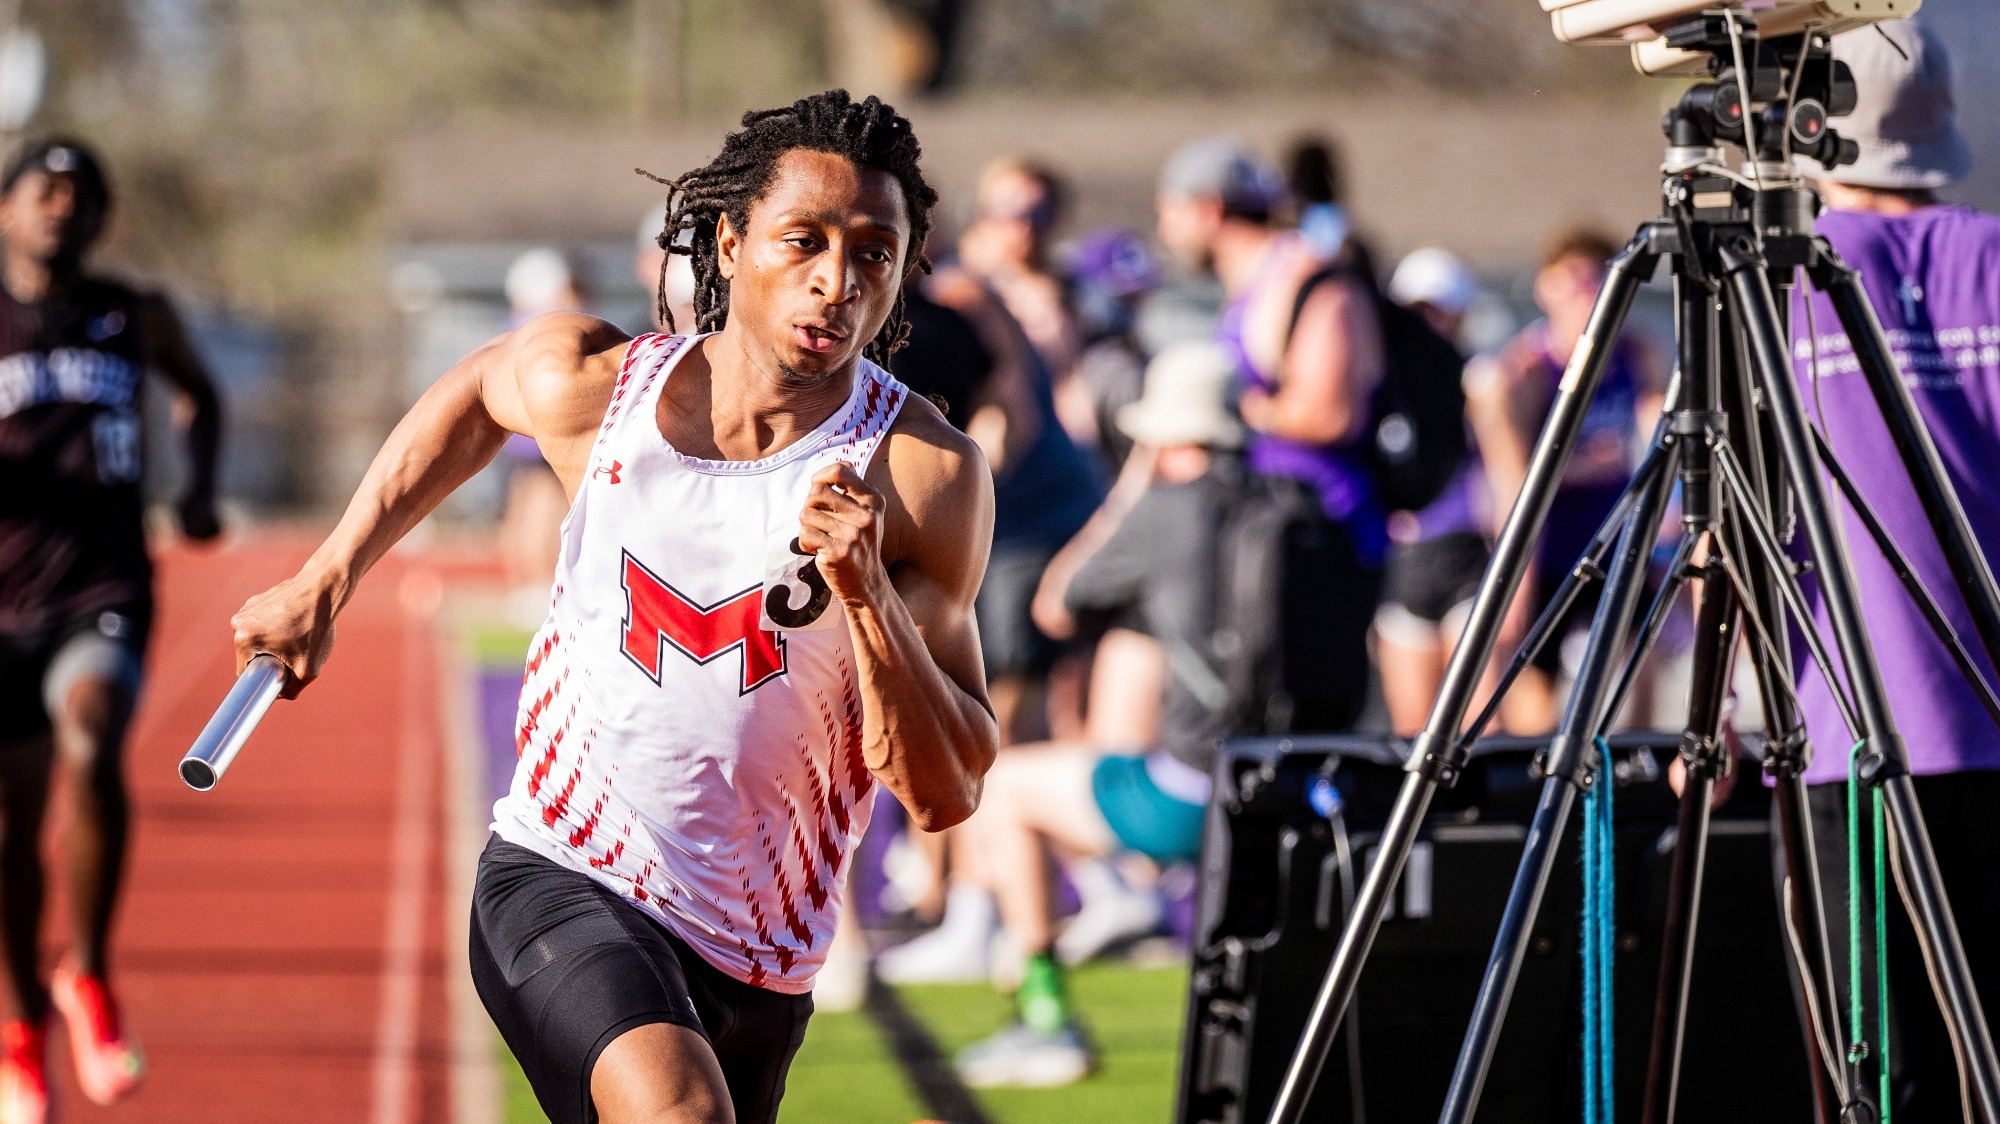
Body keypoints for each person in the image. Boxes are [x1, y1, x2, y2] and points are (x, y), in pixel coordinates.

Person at [228, 90, 998, 1124]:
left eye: (872, 253)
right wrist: (328, 574)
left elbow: (944, 788)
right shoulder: (604, 390)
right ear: (728, 243)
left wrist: (867, 599)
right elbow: (478, 392)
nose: (834, 281)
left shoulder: (922, 474)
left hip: (760, 955)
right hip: (563, 868)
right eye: (802, 240)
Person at [1785, 21, 2000, 1118]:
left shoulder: (1783, 273)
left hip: (1854, 725)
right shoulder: (1994, 254)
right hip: (1988, 717)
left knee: (1886, 1076)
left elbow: (1739, 520)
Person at [948, 341, 1249, 1088]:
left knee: (1006, 789)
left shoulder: (1168, 509)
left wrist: (1132, 490)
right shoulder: (1280, 505)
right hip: (1283, 791)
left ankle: (1046, 1018)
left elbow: (1057, 600)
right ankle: (1118, 900)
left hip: (1192, 799)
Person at [0, 137, 223, 1122]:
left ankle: (86, 973)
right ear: (6, 208)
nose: (62, 208)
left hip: (104, 585)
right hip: (2, 598)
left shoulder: (135, 312)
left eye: (81, 195)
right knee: (10, 825)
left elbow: (201, 393)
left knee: (91, 746)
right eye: (43, 192)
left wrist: (201, 493)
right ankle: (18, 1024)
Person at [1157, 135, 1383, 731]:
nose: (1163, 229)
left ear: (1208, 210)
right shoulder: (1254, 283)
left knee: (1308, 736)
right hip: (1272, 540)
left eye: (1169, 211)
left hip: (1322, 538)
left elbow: (1334, 413)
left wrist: (1233, 416)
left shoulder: (1304, 275)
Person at [1464, 226, 1662, 732]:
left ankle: (1626, 781)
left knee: (1638, 659)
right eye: (1571, 282)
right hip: (1548, 546)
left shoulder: (1635, 355)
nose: (1584, 295)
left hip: (1612, 537)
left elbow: (1659, 437)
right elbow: (1515, 479)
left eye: (1595, 282)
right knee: (1532, 675)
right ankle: (1538, 784)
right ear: (1545, 288)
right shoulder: (1526, 369)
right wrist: (1583, 466)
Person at [1375, 248, 1494, 737]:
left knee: (1483, 724)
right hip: (1404, 565)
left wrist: (1517, 576)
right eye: (1415, 310)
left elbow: (1506, 480)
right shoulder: (1381, 383)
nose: (1425, 322)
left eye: (1436, 310)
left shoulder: (1478, 382)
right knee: (1414, 733)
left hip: (1467, 559)